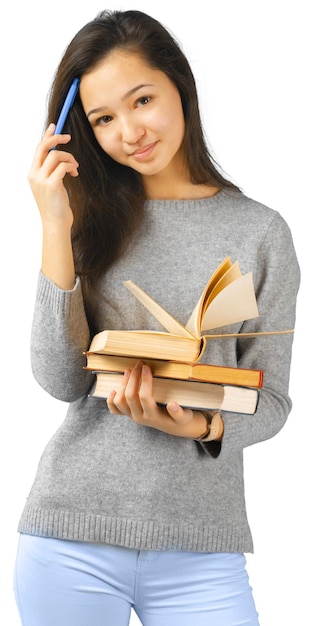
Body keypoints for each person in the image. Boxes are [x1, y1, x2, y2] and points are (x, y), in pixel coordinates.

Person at [13, 9, 300, 626]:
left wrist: (200, 427)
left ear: (179, 86)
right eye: (104, 119)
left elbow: (271, 400)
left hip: (203, 546)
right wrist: (54, 224)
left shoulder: (259, 232)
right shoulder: (86, 222)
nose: (131, 131)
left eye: (142, 99)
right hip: (72, 537)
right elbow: (60, 380)